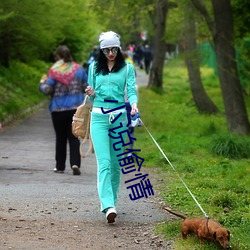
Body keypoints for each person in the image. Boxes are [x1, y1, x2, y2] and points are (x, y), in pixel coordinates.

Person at [85, 31, 138, 223]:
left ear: (119, 48)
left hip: (119, 118)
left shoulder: (127, 68)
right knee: (104, 163)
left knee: (116, 165)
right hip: (98, 118)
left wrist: (133, 104)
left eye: (114, 49)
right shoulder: (93, 68)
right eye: (106, 50)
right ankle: (107, 205)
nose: (110, 53)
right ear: (101, 50)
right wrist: (90, 92)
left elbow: (131, 90)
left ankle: (113, 201)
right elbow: (91, 96)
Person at [39, 45, 88, 175]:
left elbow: (47, 90)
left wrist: (42, 83)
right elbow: (86, 87)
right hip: (75, 109)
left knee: (60, 138)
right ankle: (75, 163)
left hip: (58, 109)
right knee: (74, 137)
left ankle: (60, 166)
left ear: (58, 57)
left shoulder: (54, 71)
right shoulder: (79, 70)